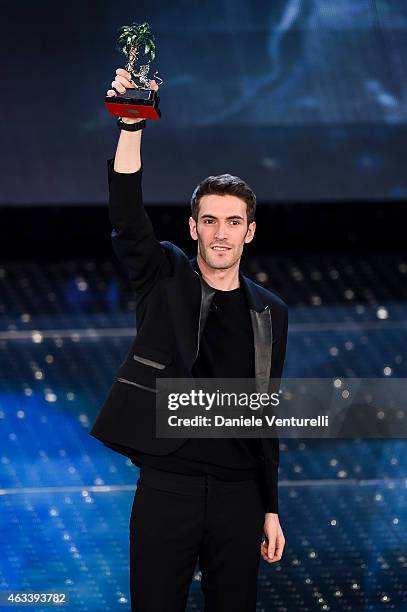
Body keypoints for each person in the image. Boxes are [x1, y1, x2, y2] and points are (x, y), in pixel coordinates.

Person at [90, 67, 288, 612]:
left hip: (238, 497)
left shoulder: (272, 312)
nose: (220, 232)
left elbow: (264, 414)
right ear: (193, 227)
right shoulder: (166, 278)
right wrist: (132, 124)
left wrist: (270, 508)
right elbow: (128, 219)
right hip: (168, 487)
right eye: (210, 220)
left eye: (232, 221)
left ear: (249, 231)